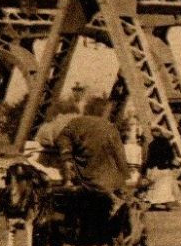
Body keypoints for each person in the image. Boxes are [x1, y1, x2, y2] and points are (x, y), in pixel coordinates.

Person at [49, 99, 132, 236]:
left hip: (82, 177)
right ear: (103, 111)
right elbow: (119, 155)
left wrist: (67, 158)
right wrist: (124, 177)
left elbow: (62, 140)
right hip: (105, 178)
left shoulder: (75, 123)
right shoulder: (109, 127)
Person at [144, 131, 180, 210]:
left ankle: (153, 204)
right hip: (165, 168)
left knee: (155, 187)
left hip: (155, 168)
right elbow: (171, 156)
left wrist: (149, 167)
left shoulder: (152, 144)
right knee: (166, 188)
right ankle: (167, 204)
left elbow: (150, 158)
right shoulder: (167, 144)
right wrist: (171, 165)